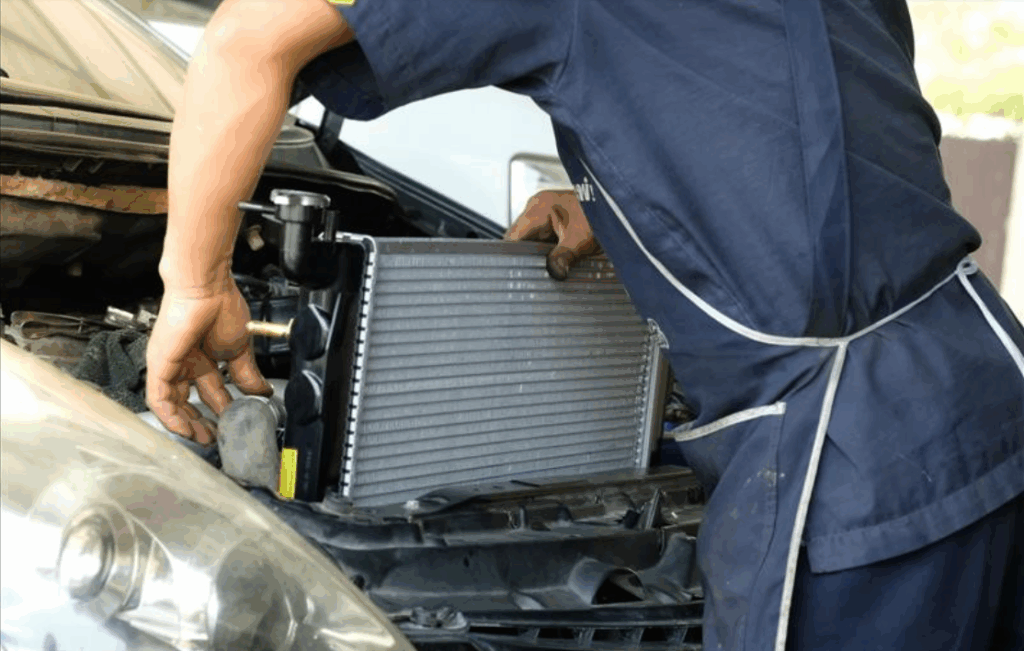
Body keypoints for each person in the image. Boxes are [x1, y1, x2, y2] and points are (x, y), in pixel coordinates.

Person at [145, 0, 1024, 649]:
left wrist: (194, 276)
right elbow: (808, 122)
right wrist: (629, 196)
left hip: (850, 467)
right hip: (981, 386)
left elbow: (248, 37)